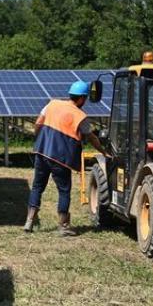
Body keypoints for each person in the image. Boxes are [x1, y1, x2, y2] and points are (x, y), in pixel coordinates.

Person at [23, 80, 110, 236]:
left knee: (37, 187)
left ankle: (29, 221)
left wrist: (39, 140)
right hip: (60, 159)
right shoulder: (80, 116)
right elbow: (91, 137)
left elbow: (38, 123)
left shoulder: (52, 104)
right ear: (82, 98)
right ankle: (63, 226)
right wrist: (103, 152)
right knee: (64, 191)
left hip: (42, 153)